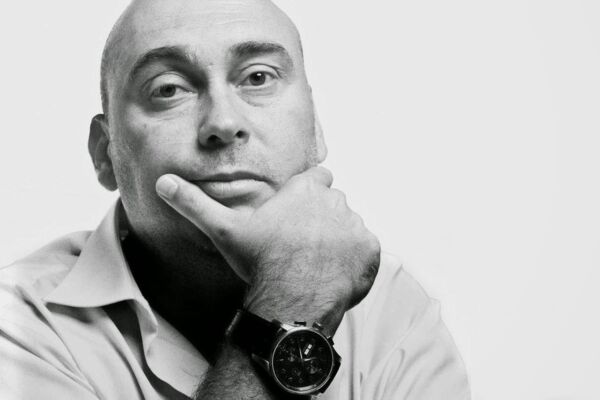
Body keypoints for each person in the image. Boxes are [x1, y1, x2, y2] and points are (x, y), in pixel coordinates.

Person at [0, 0, 470, 398]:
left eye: (258, 77)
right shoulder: (19, 327)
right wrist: (291, 304)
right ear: (105, 153)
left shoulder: (392, 315)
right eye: (168, 89)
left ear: (315, 128)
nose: (223, 123)